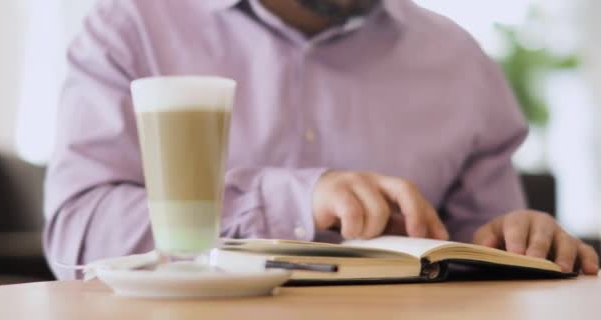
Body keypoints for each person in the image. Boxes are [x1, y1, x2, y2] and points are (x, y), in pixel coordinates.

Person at [44, 0, 598, 279]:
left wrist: (518, 241)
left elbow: (481, 250)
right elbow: (77, 235)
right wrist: (293, 200)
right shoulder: (134, 26)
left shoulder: (459, 60)